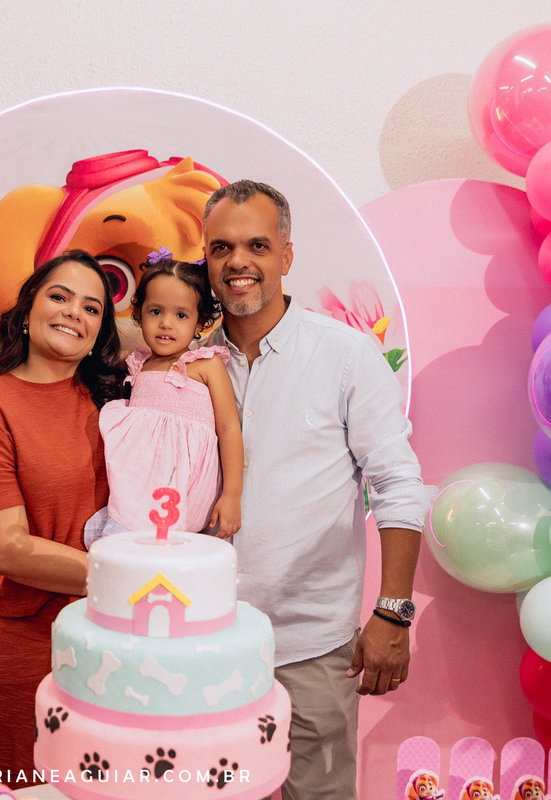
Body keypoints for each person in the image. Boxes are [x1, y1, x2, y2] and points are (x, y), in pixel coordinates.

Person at [202, 180, 434, 800]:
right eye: (221, 247)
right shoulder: (186, 364)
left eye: (256, 245)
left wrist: (393, 611)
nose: (238, 261)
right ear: (206, 259)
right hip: (199, 643)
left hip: (309, 644)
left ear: (286, 254)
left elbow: (398, 485)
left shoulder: (346, 355)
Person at [0, 250, 125, 786]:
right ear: (26, 311)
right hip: (33, 643)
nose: (74, 312)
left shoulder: (119, 400)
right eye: (59, 297)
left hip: (120, 640)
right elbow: (8, 548)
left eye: (92, 308)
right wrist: (130, 579)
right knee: (25, 788)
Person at [84, 252, 243, 545]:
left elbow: (229, 429)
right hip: (139, 480)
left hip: (184, 482)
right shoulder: (137, 364)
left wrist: (232, 494)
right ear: (138, 314)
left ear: (200, 323)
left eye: (181, 315)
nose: (166, 323)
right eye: (155, 312)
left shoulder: (206, 365)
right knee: (123, 544)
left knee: (169, 548)